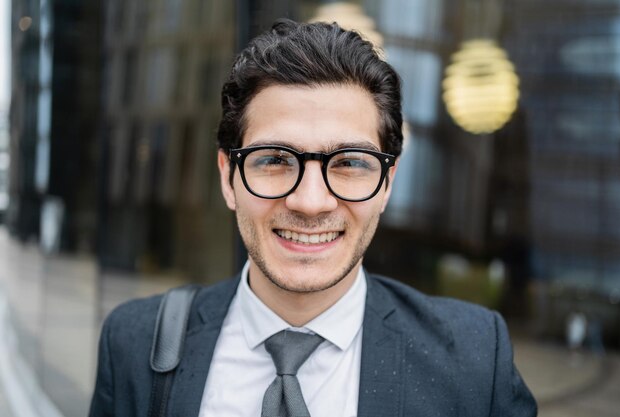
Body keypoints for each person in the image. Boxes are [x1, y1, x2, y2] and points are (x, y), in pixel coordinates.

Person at [89, 18, 537, 417]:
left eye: (349, 162)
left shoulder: (474, 360)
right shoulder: (133, 344)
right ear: (228, 177)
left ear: (387, 183)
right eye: (275, 159)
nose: (310, 201)